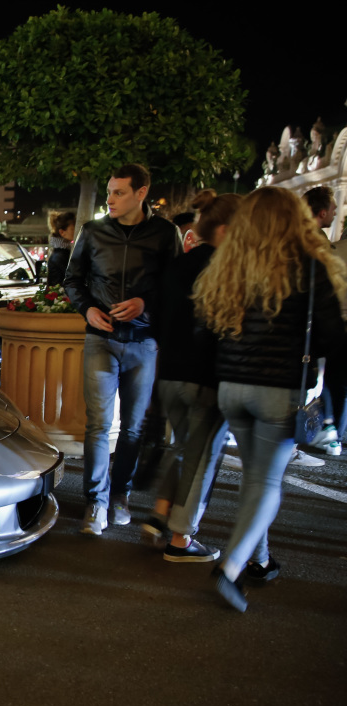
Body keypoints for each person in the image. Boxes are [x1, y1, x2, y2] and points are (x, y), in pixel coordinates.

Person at [195, 187, 346, 611]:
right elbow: (334, 337)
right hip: (279, 391)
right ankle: (231, 568)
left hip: (232, 389)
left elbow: (207, 328)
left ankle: (259, 559)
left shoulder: (231, 265)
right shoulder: (308, 267)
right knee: (266, 481)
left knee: (255, 479)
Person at [63, 163, 179, 535]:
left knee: (131, 429)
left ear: (141, 193)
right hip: (101, 338)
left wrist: (145, 303)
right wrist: (88, 309)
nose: (109, 199)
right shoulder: (93, 231)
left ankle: (119, 495)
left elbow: (176, 287)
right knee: (98, 425)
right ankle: (95, 502)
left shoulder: (165, 234)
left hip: (144, 343)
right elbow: (72, 280)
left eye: (118, 192)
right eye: (109, 191)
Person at [140, 190, 242, 562]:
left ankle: (160, 513)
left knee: (184, 448)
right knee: (202, 458)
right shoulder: (227, 269)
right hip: (207, 377)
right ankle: (181, 539)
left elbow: (160, 320)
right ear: (228, 230)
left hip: (169, 373)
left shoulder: (179, 265)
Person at [303, 186, 343, 457]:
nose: (337, 212)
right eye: (332, 208)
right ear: (322, 212)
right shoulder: (316, 246)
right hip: (308, 330)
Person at [45, 210, 76, 285]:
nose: (76, 231)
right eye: (73, 228)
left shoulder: (59, 252)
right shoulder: (62, 255)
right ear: (62, 232)